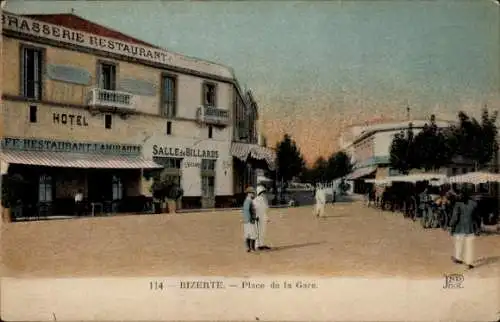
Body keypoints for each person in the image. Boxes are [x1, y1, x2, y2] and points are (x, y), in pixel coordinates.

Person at [450, 187, 477, 269]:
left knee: (459, 243)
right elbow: (477, 216)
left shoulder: (458, 204)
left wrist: (451, 224)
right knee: (469, 246)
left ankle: (458, 258)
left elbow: (455, 218)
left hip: (459, 228)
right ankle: (469, 263)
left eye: (460, 195)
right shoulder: (474, 203)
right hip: (470, 228)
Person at [254, 185, 271, 250]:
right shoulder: (256, 200)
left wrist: (266, 217)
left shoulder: (264, 199)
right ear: (259, 192)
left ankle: (261, 244)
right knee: (258, 232)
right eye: (262, 192)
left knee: (263, 232)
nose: (264, 193)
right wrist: (256, 217)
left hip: (263, 218)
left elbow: (265, 209)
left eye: (264, 192)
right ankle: (257, 245)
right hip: (258, 218)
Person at [242, 186, 258, 252]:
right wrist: (252, 219)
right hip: (250, 220)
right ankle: (252, 248)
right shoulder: (249, 201)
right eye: (252, 193)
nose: (253, 194)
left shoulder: (247, 200)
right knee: (253, 234)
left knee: (247, 234)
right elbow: (248, 211)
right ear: (249, 193)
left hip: (247, 220)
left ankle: (248, 248)